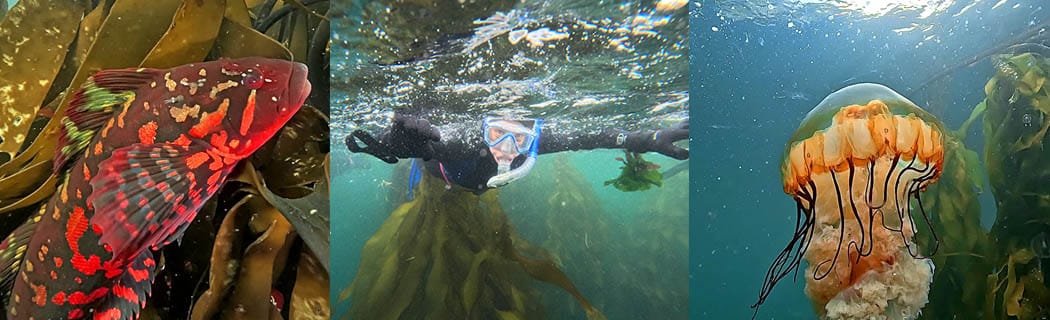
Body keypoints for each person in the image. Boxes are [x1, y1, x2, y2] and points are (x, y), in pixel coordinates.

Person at [345, 113, 689, 191]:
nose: (507, 149)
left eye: (520, 140)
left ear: (533, 140)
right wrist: (394, 146)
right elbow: (431, 145)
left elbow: (591, 137)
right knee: (425, 160)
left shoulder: (540, 143)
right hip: (442, 172)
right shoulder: (461, 141)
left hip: (472, 184)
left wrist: (647, 138)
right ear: (483, 132)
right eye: (496, 134)